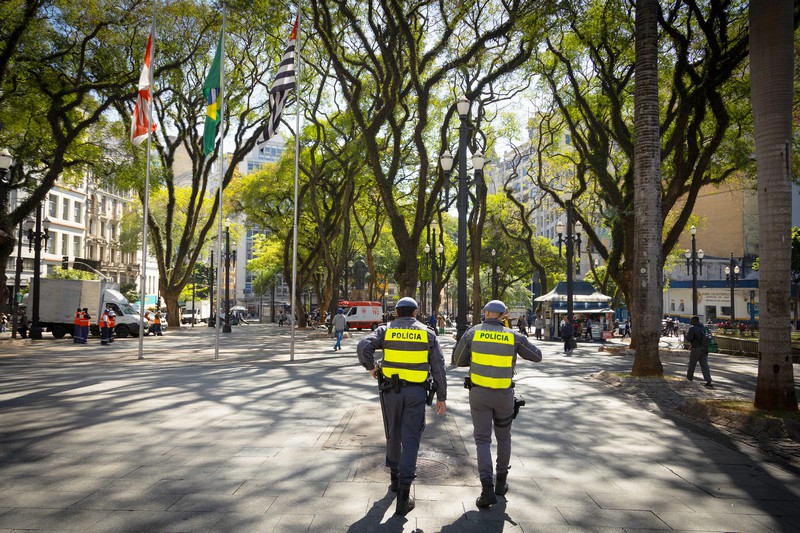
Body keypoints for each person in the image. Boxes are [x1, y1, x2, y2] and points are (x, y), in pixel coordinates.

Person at [357, 297, 447, 516]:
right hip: (416, 393)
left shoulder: (385, 331)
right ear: (415, 312)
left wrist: (371, 368)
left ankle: (395, 481)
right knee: (411, 438)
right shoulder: (427, 333)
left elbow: (362, 347)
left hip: (390, 392)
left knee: (393, 433)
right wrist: (441, 397)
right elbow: (438, 367)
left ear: (396, 312)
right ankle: (404, 497)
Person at [453, 299, 543, 508]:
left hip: (479, 394)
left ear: (485, 313)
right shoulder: (514, 337)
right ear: (504, 316)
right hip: (504, 395)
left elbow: (458, 360)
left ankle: (486, 489)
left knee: (482, 440)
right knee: (504, 437)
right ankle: (501, 483)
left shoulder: (472, 333)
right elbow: (537, 356)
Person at [685, 315, 713, 388]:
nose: (690, 321)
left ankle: (689, 378)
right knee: (704, 365)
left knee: (692, 364)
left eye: (691, 320)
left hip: (696, 348)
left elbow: (689, 338)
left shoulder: (692, 329)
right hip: (704, 349)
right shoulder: (705, 328)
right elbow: (710, 337)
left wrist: (685, 334)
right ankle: (708, 379)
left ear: (694, 321)